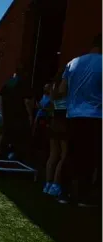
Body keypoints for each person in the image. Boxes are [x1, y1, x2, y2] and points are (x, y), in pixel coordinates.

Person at [51, 34, 102, 206]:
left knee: (70, 155)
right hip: (94, 116)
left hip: (72, 116)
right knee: (89, 158)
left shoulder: (73, 63)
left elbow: (62, 90)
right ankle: (82, 197)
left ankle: (63, 193)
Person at [43, 80, 68, 197]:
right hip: (64, 120)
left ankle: (48, 184)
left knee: (53, 154)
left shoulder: (53, 88)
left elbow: (50, 106)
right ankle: (56, 184)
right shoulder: (67, 89)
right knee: (64, 154)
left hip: (54, 120)